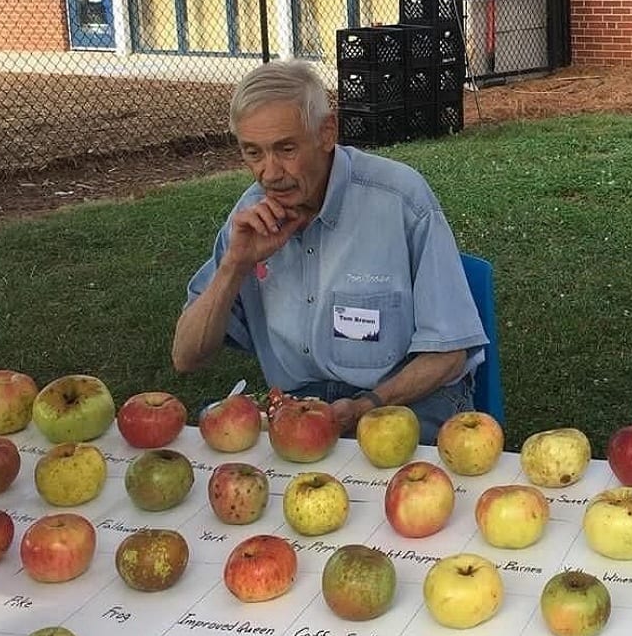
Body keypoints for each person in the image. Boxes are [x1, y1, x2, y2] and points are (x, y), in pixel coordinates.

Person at [172, 58, 488, 444]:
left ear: (326, 132)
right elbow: (186, 357)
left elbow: (449, 353)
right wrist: (234, 266)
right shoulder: (250, 217)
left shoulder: (399, 200)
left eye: (285, 149)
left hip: (402, 404)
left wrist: (365, 406)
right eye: (253, 153)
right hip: (297, 411)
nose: (270, 173)